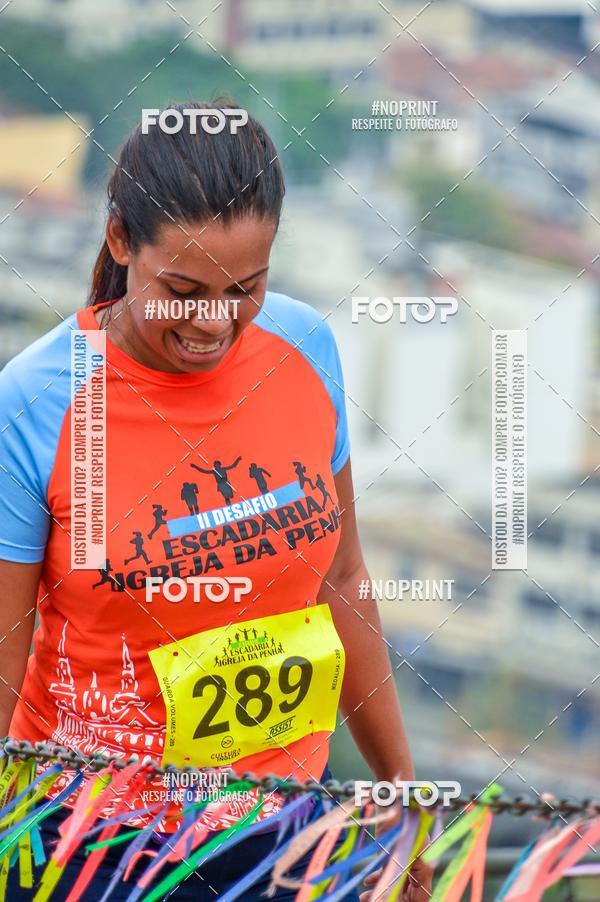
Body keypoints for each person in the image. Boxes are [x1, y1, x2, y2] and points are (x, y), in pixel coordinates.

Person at [0, 100, 430, 900]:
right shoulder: (37, 404)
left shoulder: (304, 347)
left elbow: (342, 580)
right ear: (120, 240)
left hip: (284, 832)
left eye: (246, 288)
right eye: (184, 290)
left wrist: (400, 791)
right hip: (92, 843)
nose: (215, 323)